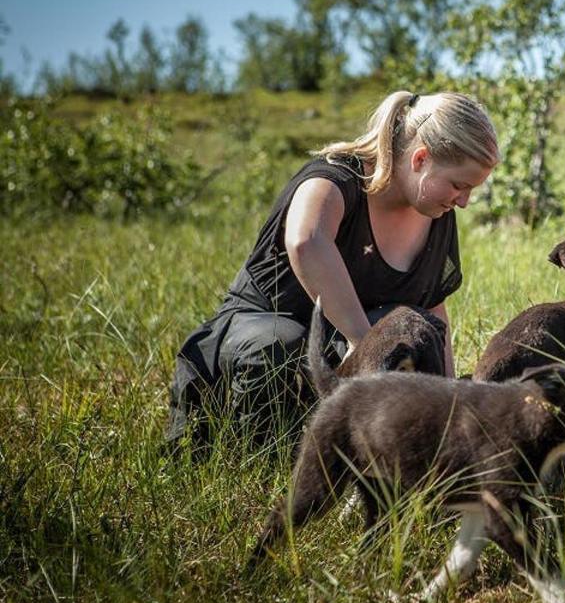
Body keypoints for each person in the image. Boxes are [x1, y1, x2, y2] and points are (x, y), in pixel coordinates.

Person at [165, 90, 499, 450]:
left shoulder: (435, 210)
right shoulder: (335, 178)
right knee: (280, 343)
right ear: (420, 159)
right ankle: (264, 459)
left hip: (339, 358)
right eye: (459, 185)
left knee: (412, 327)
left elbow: (432, 312)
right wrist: (366, 344)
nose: (464, 202)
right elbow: (306, 241)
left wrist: (449, 403)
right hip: (264, 340)